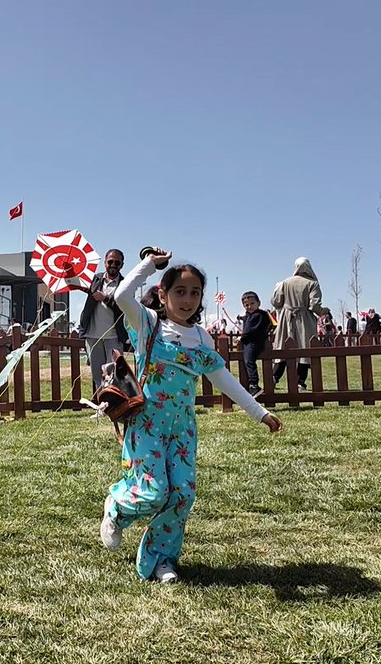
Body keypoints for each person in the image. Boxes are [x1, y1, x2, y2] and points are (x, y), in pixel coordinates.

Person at [101, 247, 282, 583]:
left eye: (195, 293)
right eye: (179, 291)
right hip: (147, 426)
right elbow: (122, 294)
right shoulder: (147, 324)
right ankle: (117, 508)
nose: (187, 299)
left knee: (182, 494)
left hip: (182, 431)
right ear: (163, 294)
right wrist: (150, 264)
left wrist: (259, 413)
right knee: (153, 492)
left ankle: (162, 559)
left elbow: (225, 380)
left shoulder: (201, 339)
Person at [78, 249, 131, 393]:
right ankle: (102, 407)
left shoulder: (125, 285)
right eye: (110, 261)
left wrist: (106, 298)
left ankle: (114, 406)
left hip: (114, 336)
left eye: (117, 262)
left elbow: (124, 308)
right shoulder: (96, 279)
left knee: (113, 374)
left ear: (122, 265)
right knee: (97, 375)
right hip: (92, 335)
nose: (113, 264)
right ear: (105, 263)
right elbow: (79, 283)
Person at [271, 257, 326, 391]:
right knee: (304, 349)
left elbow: (276, 302)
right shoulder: (312, 283)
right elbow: (314, 305)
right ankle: (300, 382)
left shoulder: (285, 282)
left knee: (283, 347)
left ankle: (274, 377)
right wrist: (324, 312)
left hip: (286, 317)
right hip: (304, 318)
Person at [239, 291, 271, 397]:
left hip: (254, 342)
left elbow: (250, 330)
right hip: (251, 342)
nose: (249, 306)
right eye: (246, 305)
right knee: (247, 361)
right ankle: (251, 385)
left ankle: (254, 385)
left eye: (252, 303)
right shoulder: (250, 316)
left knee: (249, 361)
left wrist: (241, 338)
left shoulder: (258, 315)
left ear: (258, 303)